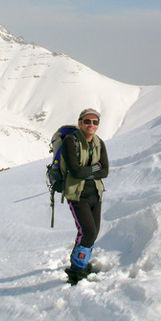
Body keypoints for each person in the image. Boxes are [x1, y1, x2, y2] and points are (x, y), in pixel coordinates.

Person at [60, 108, 109, 284]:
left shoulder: (99, 143)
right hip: (76, 194)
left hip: (95, 193)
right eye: (87, 121)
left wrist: (87, 171)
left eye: (95, 122)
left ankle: (80, 262)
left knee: (92, 233)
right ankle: (77, 269)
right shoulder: (70, 142)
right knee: (87, 232)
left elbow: (105, 171)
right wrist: (94, 168)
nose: (91, 125)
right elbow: (75, 171)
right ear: (80, 123)